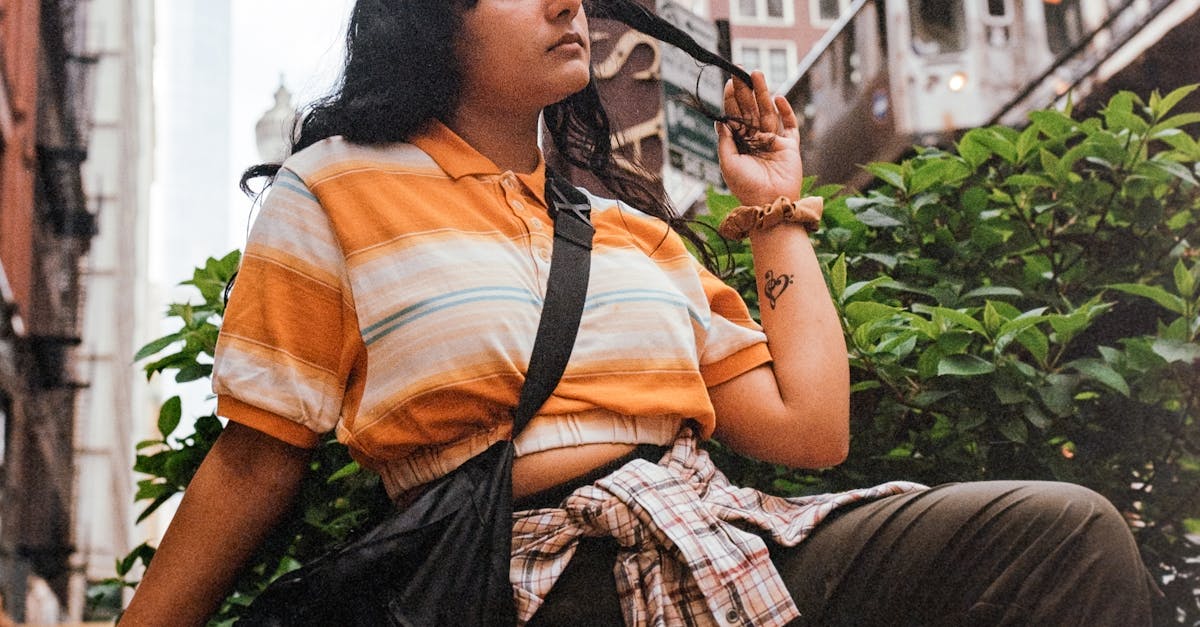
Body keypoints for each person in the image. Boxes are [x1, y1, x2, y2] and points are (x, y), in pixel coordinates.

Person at [119, 1, 1159, 625]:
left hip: (718, 536)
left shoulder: (632, 234)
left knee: (1063, 537)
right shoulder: (334, 190)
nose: (567, 4)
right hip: (515, 579)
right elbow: (259, 459)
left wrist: (772, 209)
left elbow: (810, 428)